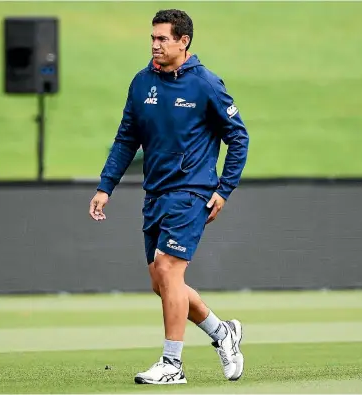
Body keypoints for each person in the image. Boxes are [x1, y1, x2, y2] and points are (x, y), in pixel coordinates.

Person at [88, 9, 249, 385]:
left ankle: (172, 364)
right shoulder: (141, 82)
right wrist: (105, 186)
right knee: (161, 284)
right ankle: (222, 333)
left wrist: (223, 189)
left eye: (163, 38)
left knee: (169, 272)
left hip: (192, 191)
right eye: (153, 37)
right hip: (155, 193)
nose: (155, 44)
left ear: (183, 41)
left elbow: (238, 137)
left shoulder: (207, 84)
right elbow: (126, 138)